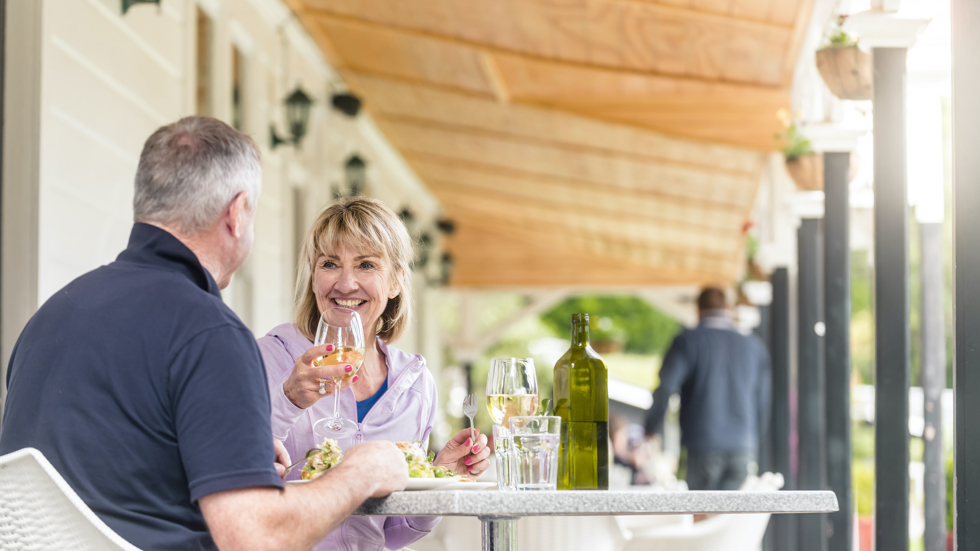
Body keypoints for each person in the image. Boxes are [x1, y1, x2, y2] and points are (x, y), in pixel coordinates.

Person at [0, 116, 408, 551]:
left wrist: (224, 456)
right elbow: (256, 538)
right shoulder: (209, 332)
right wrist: (363, 472)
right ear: (236, 214)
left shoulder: (52, 315)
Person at [258, 196, 490, 551]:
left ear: (396, 281)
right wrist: (287, 401)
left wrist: (440, 476)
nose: (346, 283)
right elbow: (228, 480)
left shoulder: (415, 385)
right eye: (330, 264)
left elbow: (392, 531)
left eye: (366, 265)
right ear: (314, 275)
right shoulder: (270, 357)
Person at [644, 286, 771, 491]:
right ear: (728, 308)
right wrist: (752, 438)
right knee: (731, 516)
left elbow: (666, 386)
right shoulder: (754, 346)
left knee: (698, 513)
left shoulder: (687, 340)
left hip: (701, 443)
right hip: (743, 446)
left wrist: (650, 428)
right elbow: (762, 402)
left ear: (698, 309)